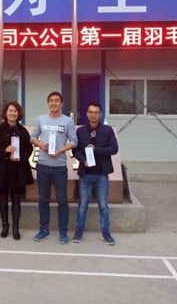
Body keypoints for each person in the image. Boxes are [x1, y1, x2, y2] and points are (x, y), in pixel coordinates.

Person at [30, 91, 78, 244]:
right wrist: (40, 144)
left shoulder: (67, 121)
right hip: (42, 166)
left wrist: (60, 150)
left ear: (62, 103)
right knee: (43, 199)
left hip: (59, 167)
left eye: (57, 100)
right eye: (51, 100)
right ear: (48, 103)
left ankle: (63, 231)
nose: (54, 103)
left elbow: (74, 141)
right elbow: (32, 137)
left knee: (62, 199)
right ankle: (44, 229)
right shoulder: (41, 119)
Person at [71, 102, 118, 246]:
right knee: (83, 204)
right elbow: (75, 150)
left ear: (100, 114)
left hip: (102, 173)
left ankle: (106, 233)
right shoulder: (80, 131)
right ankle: (79, 231)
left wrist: (96, 149)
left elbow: (114, 149)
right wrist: (83, 160)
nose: (93, 115)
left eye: (96, 112)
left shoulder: (107, 130)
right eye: (91, 112)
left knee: (103, 204)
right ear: (86, 114)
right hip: (85, 173)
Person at [0, 101, 34, 240]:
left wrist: (21, 157)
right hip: (3, 168)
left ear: (18, 113)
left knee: (16, 198)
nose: (13, 113)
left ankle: (16, 227)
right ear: (5, 113)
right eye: (10, 111)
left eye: (15, 111)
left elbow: (29, 148)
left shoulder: (23, 130)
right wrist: (4, 150)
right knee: (3, 197)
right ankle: (5, 226)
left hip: (18, 169)